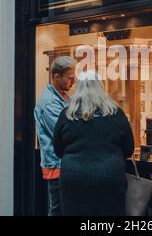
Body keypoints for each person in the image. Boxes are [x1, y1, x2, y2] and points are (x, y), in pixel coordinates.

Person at [53, 70, 135, 216]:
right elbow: (129, 150)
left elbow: (58, 151)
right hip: (109, 179)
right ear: (100, 87)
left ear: (78, 88)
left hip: (74, 180)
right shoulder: (116, 113)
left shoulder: (66, 115)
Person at [34, 56, 76, 216]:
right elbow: (66, 134)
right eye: (70, 78)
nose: (73, 82)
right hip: (57, 166)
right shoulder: (49, 103)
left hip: (63, 164)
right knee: (58, 210)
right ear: (57, 77)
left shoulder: (63, 96)